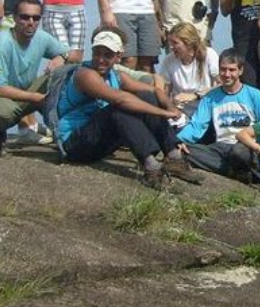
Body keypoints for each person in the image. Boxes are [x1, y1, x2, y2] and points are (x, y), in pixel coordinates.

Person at [56, 27, 201, 189]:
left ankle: (173, 157)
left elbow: (153, 90)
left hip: (97, 140)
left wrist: (170, 106)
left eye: (107, 55)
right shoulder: (85, 75)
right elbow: (121, 99)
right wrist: (164, 112)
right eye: (97, 53)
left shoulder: (117, 76)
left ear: (118, 57)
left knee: (146, 97)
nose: (101, 59)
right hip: (74, 144)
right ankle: (152, 168)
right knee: (119, 108)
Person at [0, 0, 68, 156]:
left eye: (36, 18)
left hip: (23, 94)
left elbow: (71, 55)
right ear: (14, 18)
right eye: (25, 17)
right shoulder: (2, 44)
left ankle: (63, 132)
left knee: (66, 73)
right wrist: (37, 98)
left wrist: (61, 58)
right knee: (2, 112)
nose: (31, 22)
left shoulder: (41, 37)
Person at [176, 50, 260, 181]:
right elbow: (197, 125)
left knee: (239, 153)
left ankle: (240, 170)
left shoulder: (254, 94)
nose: (227, 74)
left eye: (232, 70)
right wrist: (179, 140)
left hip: (245, 145)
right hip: (220, 147)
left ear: (240, 71)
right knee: (182, 152)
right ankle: (238, 172)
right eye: (223, 70)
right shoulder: (210, 98)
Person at [154, 22, 220, 123]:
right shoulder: (169, 60)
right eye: (170, 43)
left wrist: (195, 95)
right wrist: (171, 104)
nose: (171, 47)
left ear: (188, 43)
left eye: (175, 43)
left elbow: (222, 84)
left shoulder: (209, 55)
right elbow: (165, 90)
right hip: (182, 113)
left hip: (206, 110)